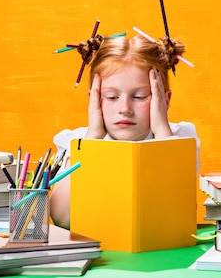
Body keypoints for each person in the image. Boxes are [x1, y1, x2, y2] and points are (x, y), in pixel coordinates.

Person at [50, 33, 200, 229]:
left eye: (139, 97)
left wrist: (162, 132)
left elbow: (178, 215)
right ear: (94, 100)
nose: (125, 108)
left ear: (165, 100)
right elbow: (61, 218)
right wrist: (92, 141)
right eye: (112, 97)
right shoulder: (79, 141)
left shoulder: (179, 138)